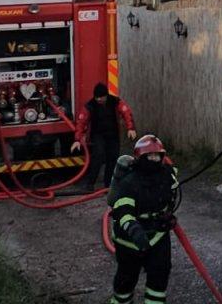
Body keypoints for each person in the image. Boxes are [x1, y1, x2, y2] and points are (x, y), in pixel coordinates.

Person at [108, 134, 178, 304]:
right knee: (127, 278)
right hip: (129, 240)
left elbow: (171, 198)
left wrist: (168, 216)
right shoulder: (129, 182)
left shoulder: (167, 176)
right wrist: (134, 229)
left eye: (157, 156)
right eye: (150, 156)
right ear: (141, 157)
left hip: (158, 234)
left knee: (160, 272)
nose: (154, 160)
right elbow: (123, 210)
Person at [72, 83, 137, 190]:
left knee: (113, 157)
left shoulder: (116, 102)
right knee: (98, 155)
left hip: (113, 134)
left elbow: (126, 113)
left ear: (106, 96)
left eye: (101, 97)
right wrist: (78, 139)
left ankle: (109, 184)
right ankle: (90, 183)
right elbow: (81, 122)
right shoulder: (90, 105)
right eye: (96, 97)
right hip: (98, 135)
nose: (98, 99)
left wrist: (130, 128)